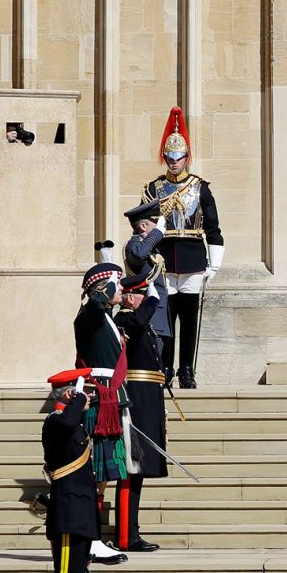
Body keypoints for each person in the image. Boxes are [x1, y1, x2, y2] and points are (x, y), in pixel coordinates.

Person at [139, 107, 223, 389]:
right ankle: (166, 368)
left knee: (188, 320)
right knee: (165, 319)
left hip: (192, 258)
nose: (174, 163)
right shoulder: (154, 188)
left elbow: (213, 227)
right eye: (170, 158)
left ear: (186, 158)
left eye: (179, 158)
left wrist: (215, 264)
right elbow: (141, 224)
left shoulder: (200, 187)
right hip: (164, 258)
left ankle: (187, 369)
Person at [40, 369, 105, 573]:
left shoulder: (76, 427)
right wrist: (76, 399)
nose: (87, 397)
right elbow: (66, 421)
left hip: (80, 520)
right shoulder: (55, 423)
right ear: (66, 394)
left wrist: (93, 534)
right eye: (80, 391)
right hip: (67, 518)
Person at [114, 211, 172, 553]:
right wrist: (149, 297)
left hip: (148, 398)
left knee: (138, 472)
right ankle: (125, 535)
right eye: (137, 295)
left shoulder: (140, 320)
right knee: (129, 471)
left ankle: (130, 533)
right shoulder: (127, 318)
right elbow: (138, 320)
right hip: (134, 399)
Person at [72, 260, 132, 557]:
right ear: (103, 288)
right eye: (116, 285)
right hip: (98, 400)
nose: (121, 289)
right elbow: (95, 304)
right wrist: (107, 286)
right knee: (95, 477)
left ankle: (94, 540)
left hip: (110, 398)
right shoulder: (89, 315)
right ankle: (92, 541)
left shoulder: (107, 316)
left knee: (103, 478)